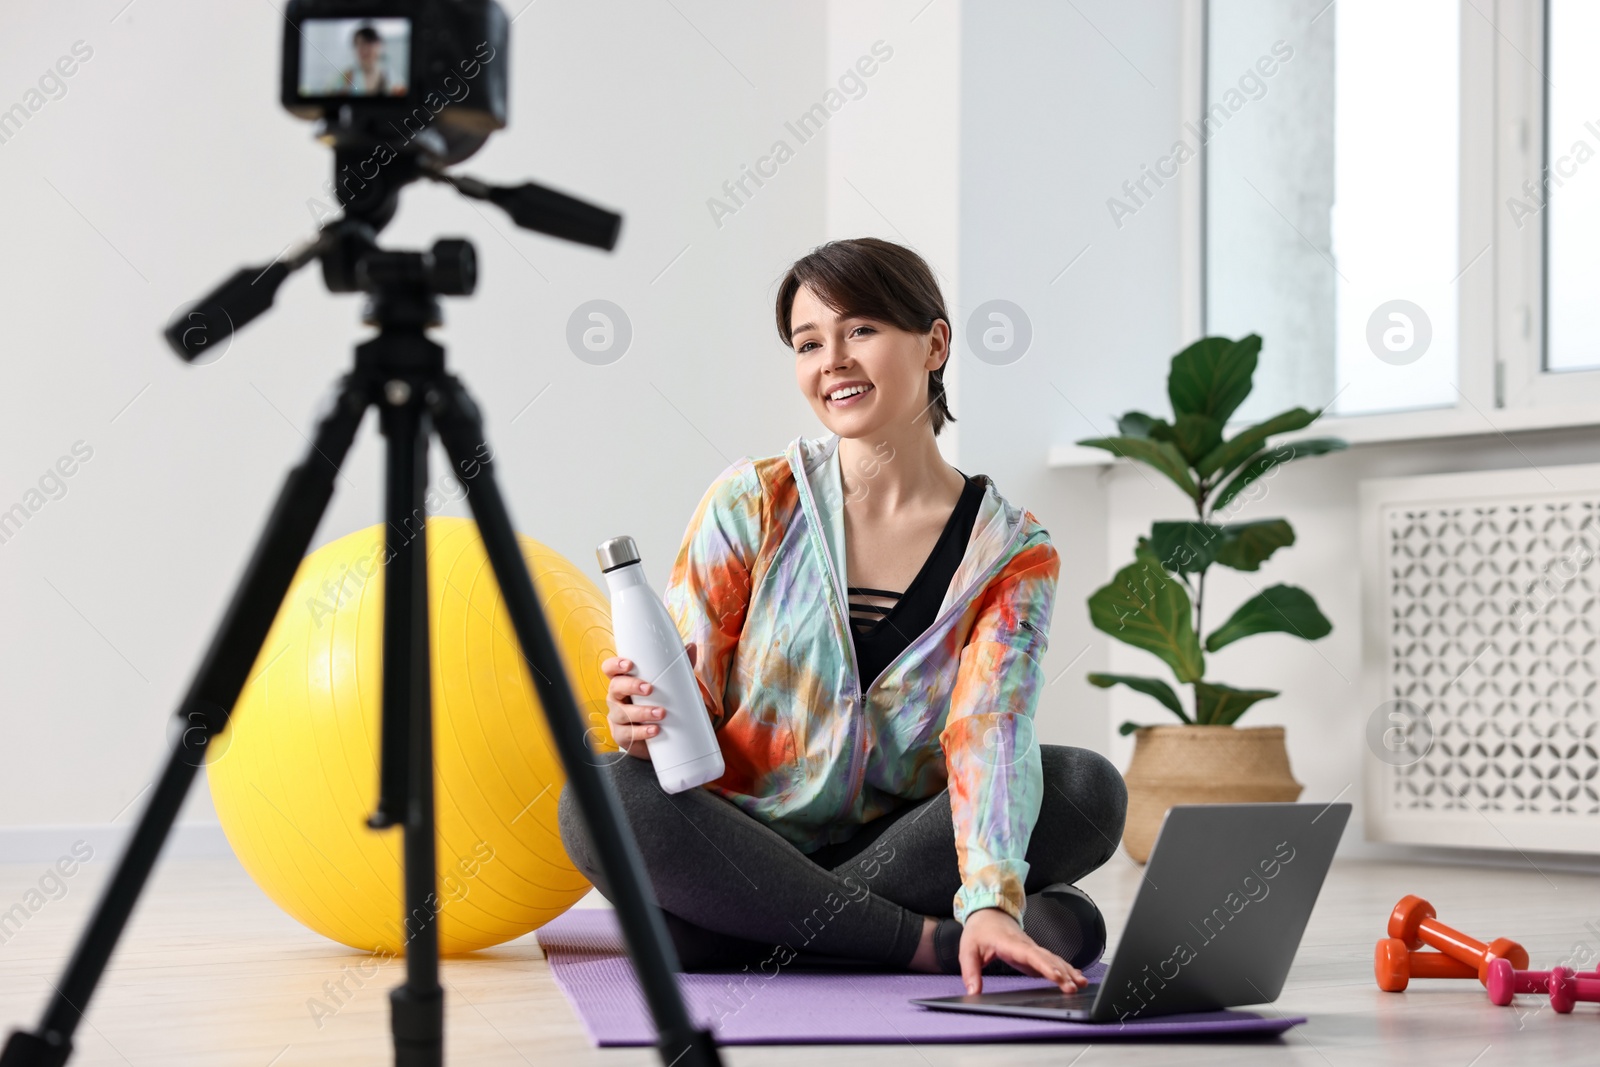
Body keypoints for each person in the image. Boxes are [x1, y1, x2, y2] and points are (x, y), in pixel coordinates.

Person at [558, 237, 1127, 996]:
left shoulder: (1010, 552)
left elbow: (992, 729)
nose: (832, 360)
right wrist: (643, 716)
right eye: (808, 343)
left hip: (900, 842)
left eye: (860, 330)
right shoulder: (753, 502)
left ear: (935, 342)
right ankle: (920, 940)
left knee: (1086, 789)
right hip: (739, 834)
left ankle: (752, 926)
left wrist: (990, 895)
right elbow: (690, 698)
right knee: (599, 794)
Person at [325, 25, 401, 97]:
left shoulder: (391, 78)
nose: (365, 50)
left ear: (379, 46)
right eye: (360, 44)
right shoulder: (345, 77)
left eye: (369, 44)